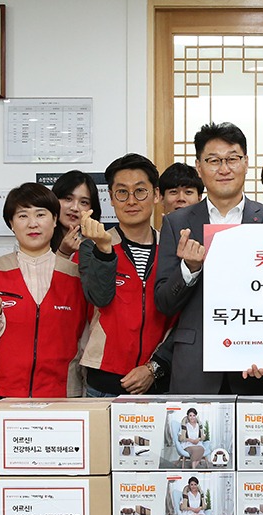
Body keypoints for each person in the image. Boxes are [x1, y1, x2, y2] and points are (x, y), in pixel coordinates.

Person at [155, 122, 263, 394]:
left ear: (246, 162)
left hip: (257, 362)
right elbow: (164, 303)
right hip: (197, 364)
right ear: (199, 167)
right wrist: (189, 269)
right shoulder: (176, 223)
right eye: (214, 161)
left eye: (232, 159)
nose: (224, 169)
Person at [0, 183, 87, 400]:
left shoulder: (75, 274)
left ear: (55, 220)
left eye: (40, 214)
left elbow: (85, 338)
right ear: (11, 223)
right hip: (3, 391)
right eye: (23, 216)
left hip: (62, 391)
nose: (32, 223)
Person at [78, 153, 174, 397]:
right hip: (104, 381)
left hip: (158, 379)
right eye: (122, 192)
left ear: (156, 195)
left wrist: (154, 368)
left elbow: (180, 319)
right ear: (111, 198)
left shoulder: (171, 249)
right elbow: (99, 297)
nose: (131, 200)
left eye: (140, 191)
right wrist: (104, 250)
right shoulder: (91, 246)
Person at [51, 170, 101, 258]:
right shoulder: (39, 237)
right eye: (68, 199)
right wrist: (63, 253)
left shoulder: (98, 245)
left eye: (84, 202)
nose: (74, 208)